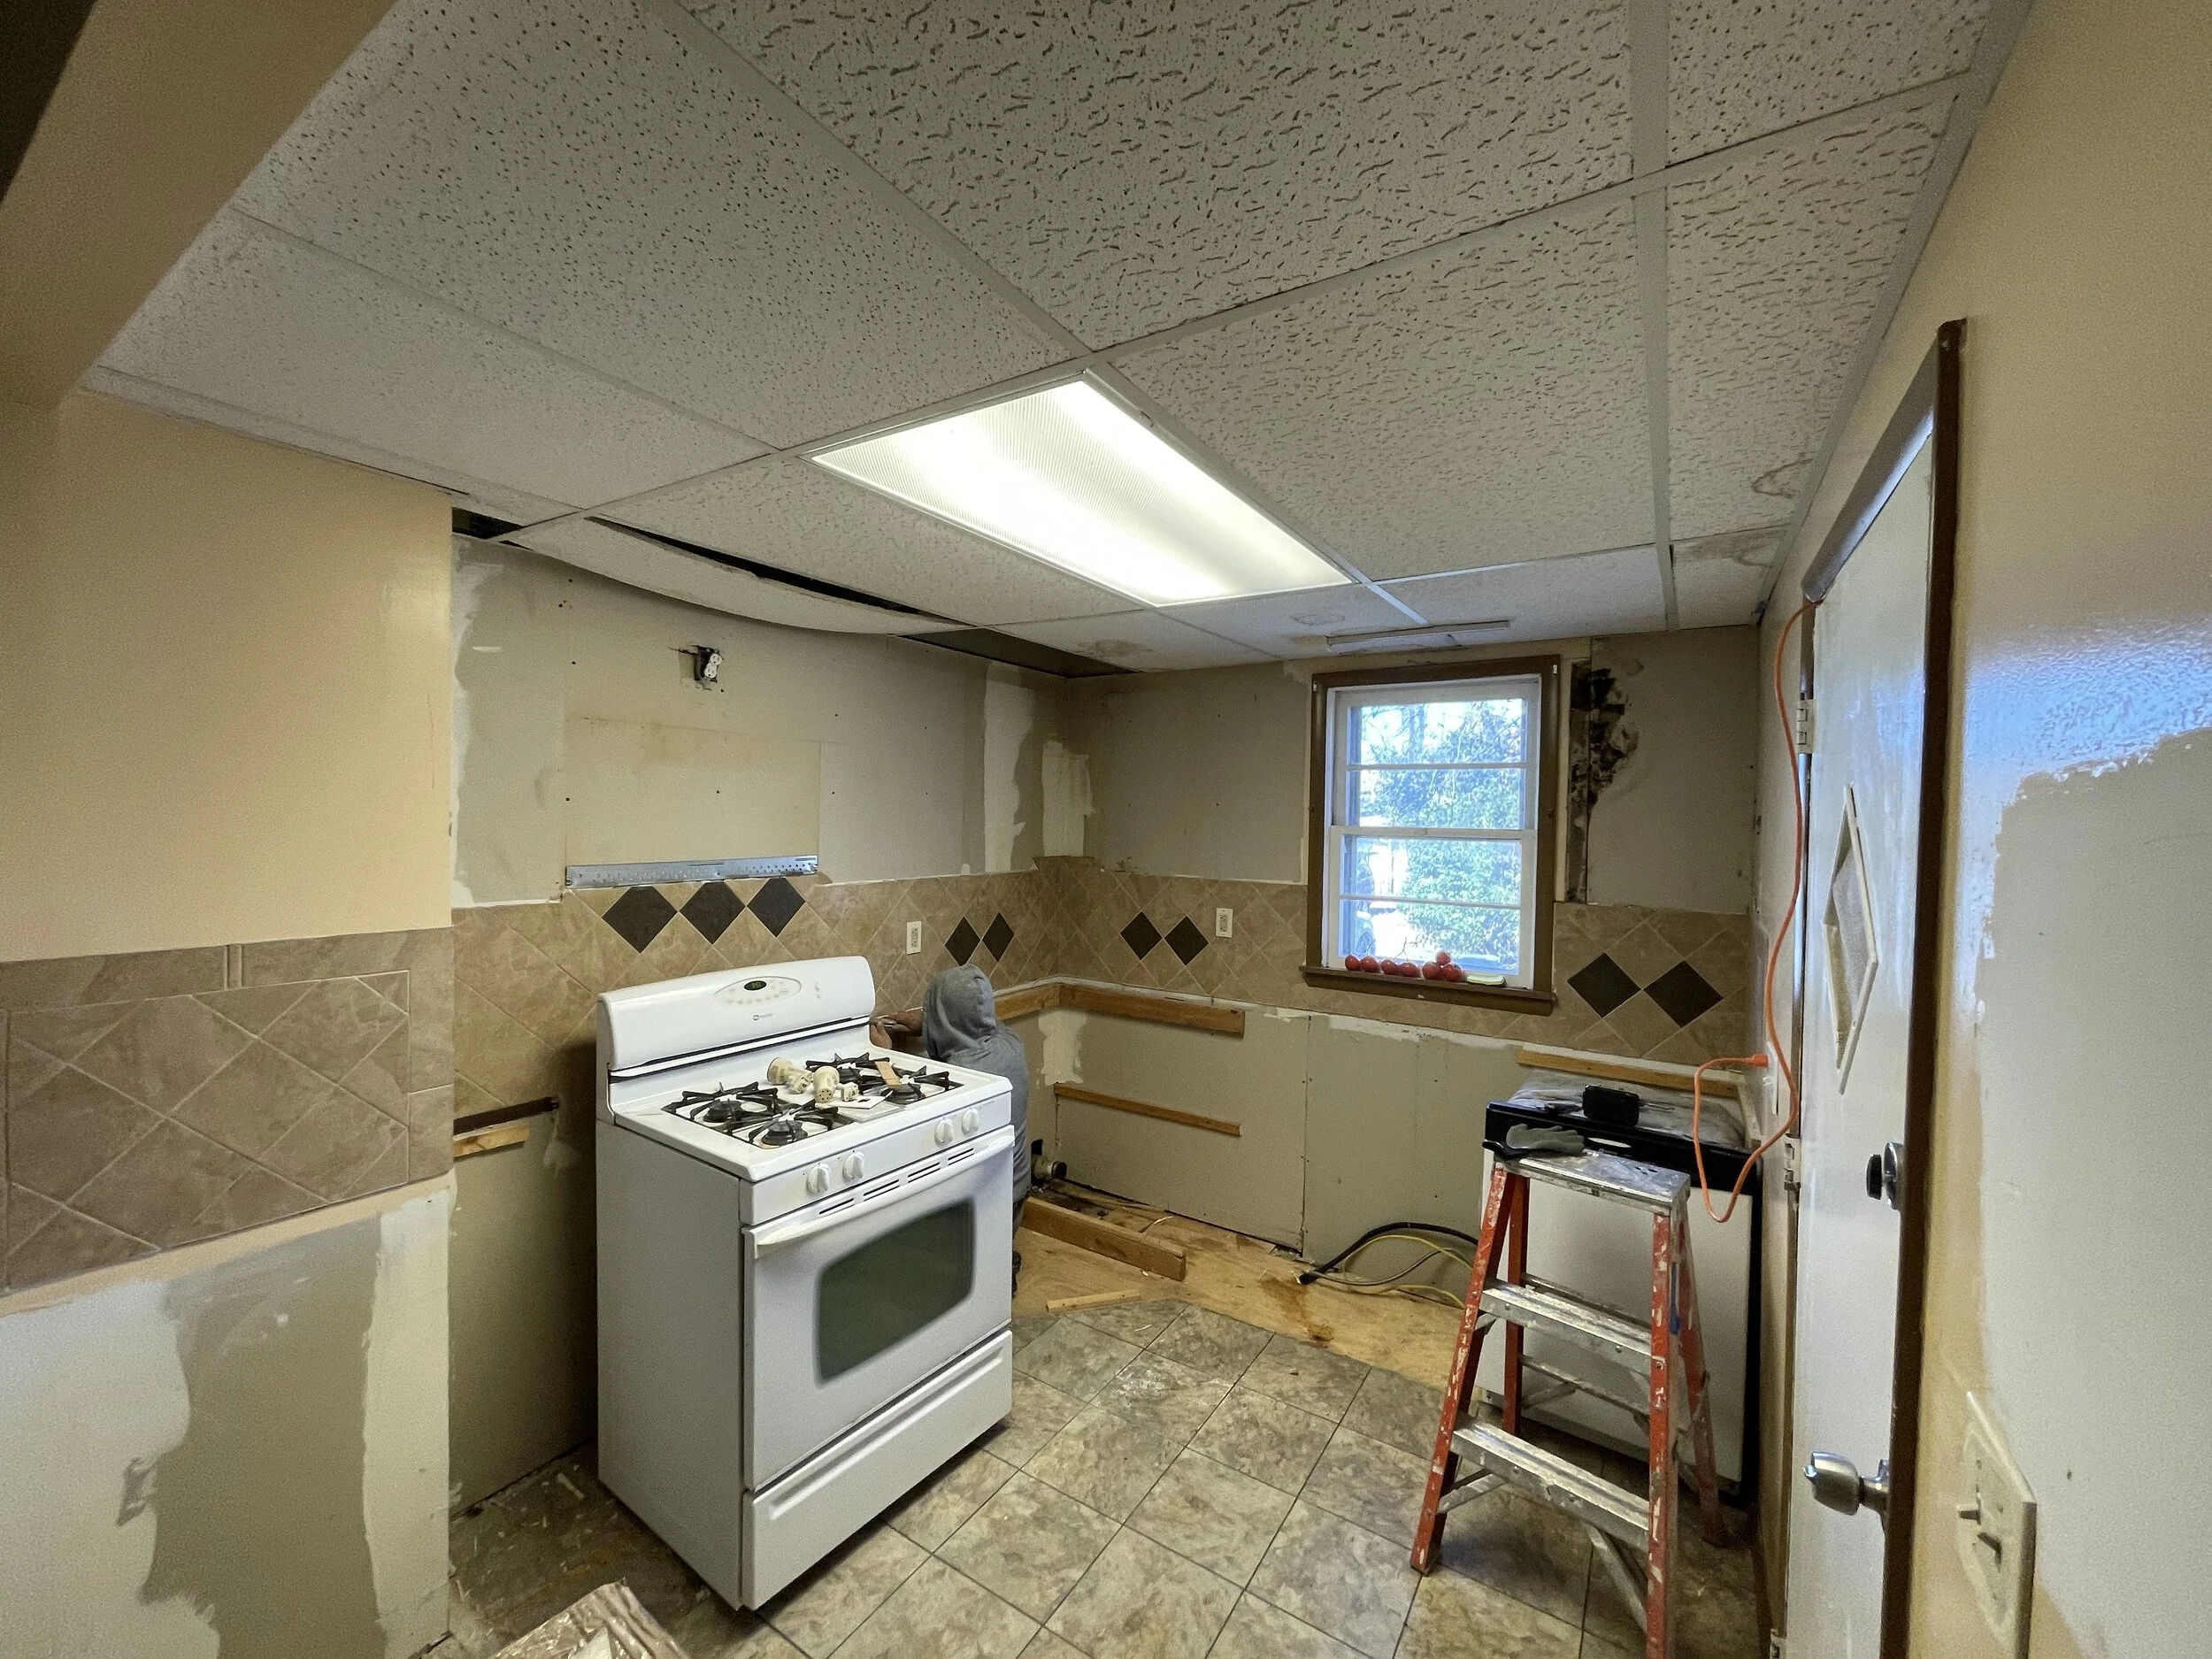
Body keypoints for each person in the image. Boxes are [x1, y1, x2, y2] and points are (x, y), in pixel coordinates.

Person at [919, 966, 1030, 1282]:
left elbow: (907, 1100)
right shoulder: (1011, 1044)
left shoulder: (956, 1076)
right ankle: (1001, 1261)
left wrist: (883, 1052)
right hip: (1017, 1189)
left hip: (978, 1201)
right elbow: (979, 1019)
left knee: (967, 1270)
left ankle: (992, 1277)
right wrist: (928, 1023)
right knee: (992, 1250)